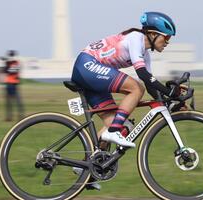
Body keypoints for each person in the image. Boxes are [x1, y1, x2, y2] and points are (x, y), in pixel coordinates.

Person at [71, 11, 177, 190]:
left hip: (93, 73)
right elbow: (142, 75)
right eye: (166, 38)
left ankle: (85, 169)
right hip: (87, 65)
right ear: (152, 34)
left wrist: (170, 100)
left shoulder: (145, 53)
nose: (167, 42)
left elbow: (150, 84)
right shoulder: (136, 38)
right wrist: (168, 91)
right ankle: (113, 132)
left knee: (119, 123)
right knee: (136, 89)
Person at [2, 50, 25, 121]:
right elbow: (6, 71)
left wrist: (6, 62)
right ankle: (11, 117)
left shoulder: (12, 63)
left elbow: (10, 71)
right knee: (11, 102)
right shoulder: (10, 63)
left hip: (12, 84)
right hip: (10, 83)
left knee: (16, 102)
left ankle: (18, 117)